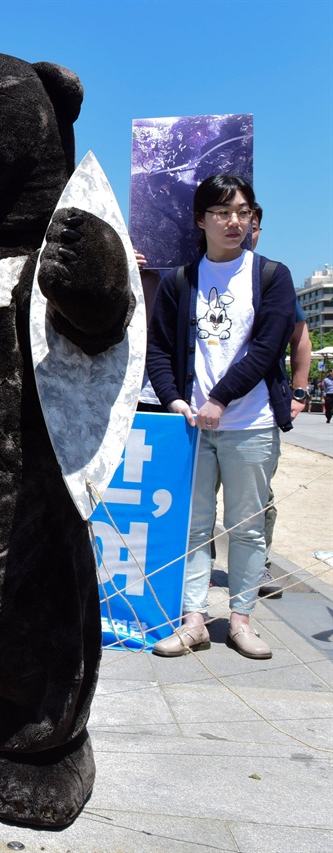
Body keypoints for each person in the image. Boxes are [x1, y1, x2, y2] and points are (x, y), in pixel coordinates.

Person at [146, 175, 296, 661]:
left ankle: (241, 620)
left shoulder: (272, 275)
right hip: (190, 427)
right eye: (223, 212)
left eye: (243, 212)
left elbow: (269, 347)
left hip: (249, 425)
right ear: (201, 220)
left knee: (247, 528)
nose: (235, 222)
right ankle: (193, 621)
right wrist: (174, 401)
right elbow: (159, 349)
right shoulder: (179, 281)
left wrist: (221, 399)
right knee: (192, 527)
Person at [250, 205, 310, 599]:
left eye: (252, 225)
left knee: (260, 498)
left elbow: (300, 336)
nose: (242, 229)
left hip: (261, 406)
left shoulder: (272, 277)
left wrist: (301, 391)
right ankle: (191, 571)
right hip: (201, 405)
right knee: (194, 497)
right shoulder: (193, 270)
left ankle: (259, 566)